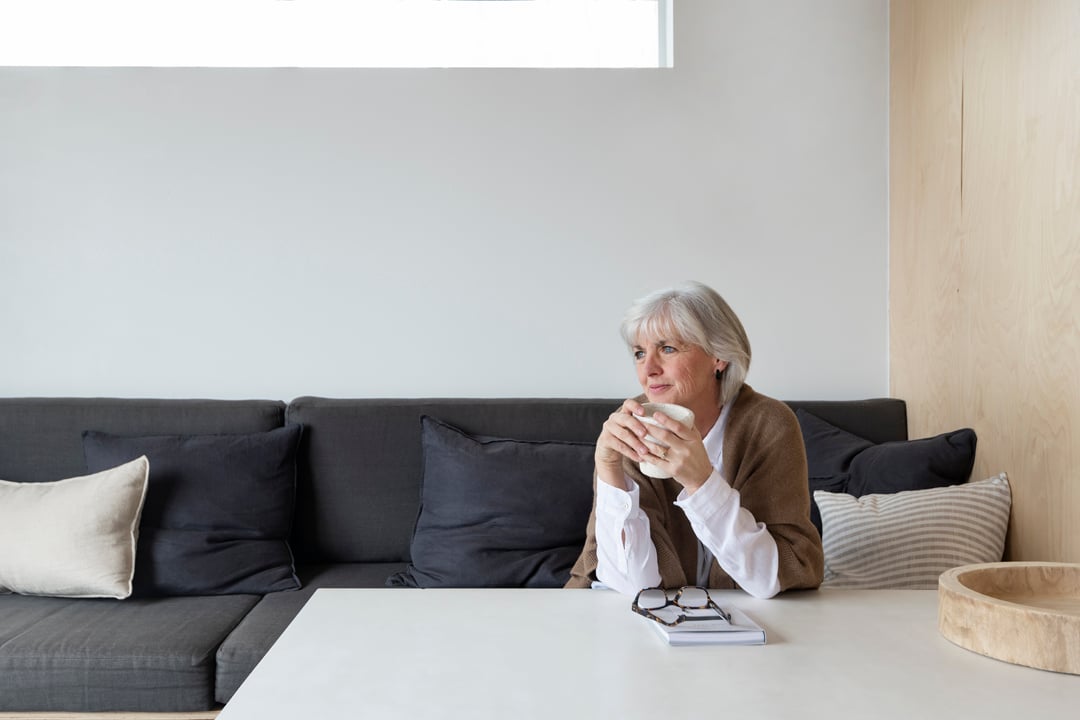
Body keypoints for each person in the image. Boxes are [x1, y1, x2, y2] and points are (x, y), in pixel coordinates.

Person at [565, 281, 823, 598]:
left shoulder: (768, 424)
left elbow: (774, 576)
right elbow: (633, 585)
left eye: (668, 349)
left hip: (748, 621)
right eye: (639, 353)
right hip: (629, 617)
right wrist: (608, 470)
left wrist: (702, 482)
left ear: (719, 356)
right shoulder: (631, 424)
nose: (648, 369)